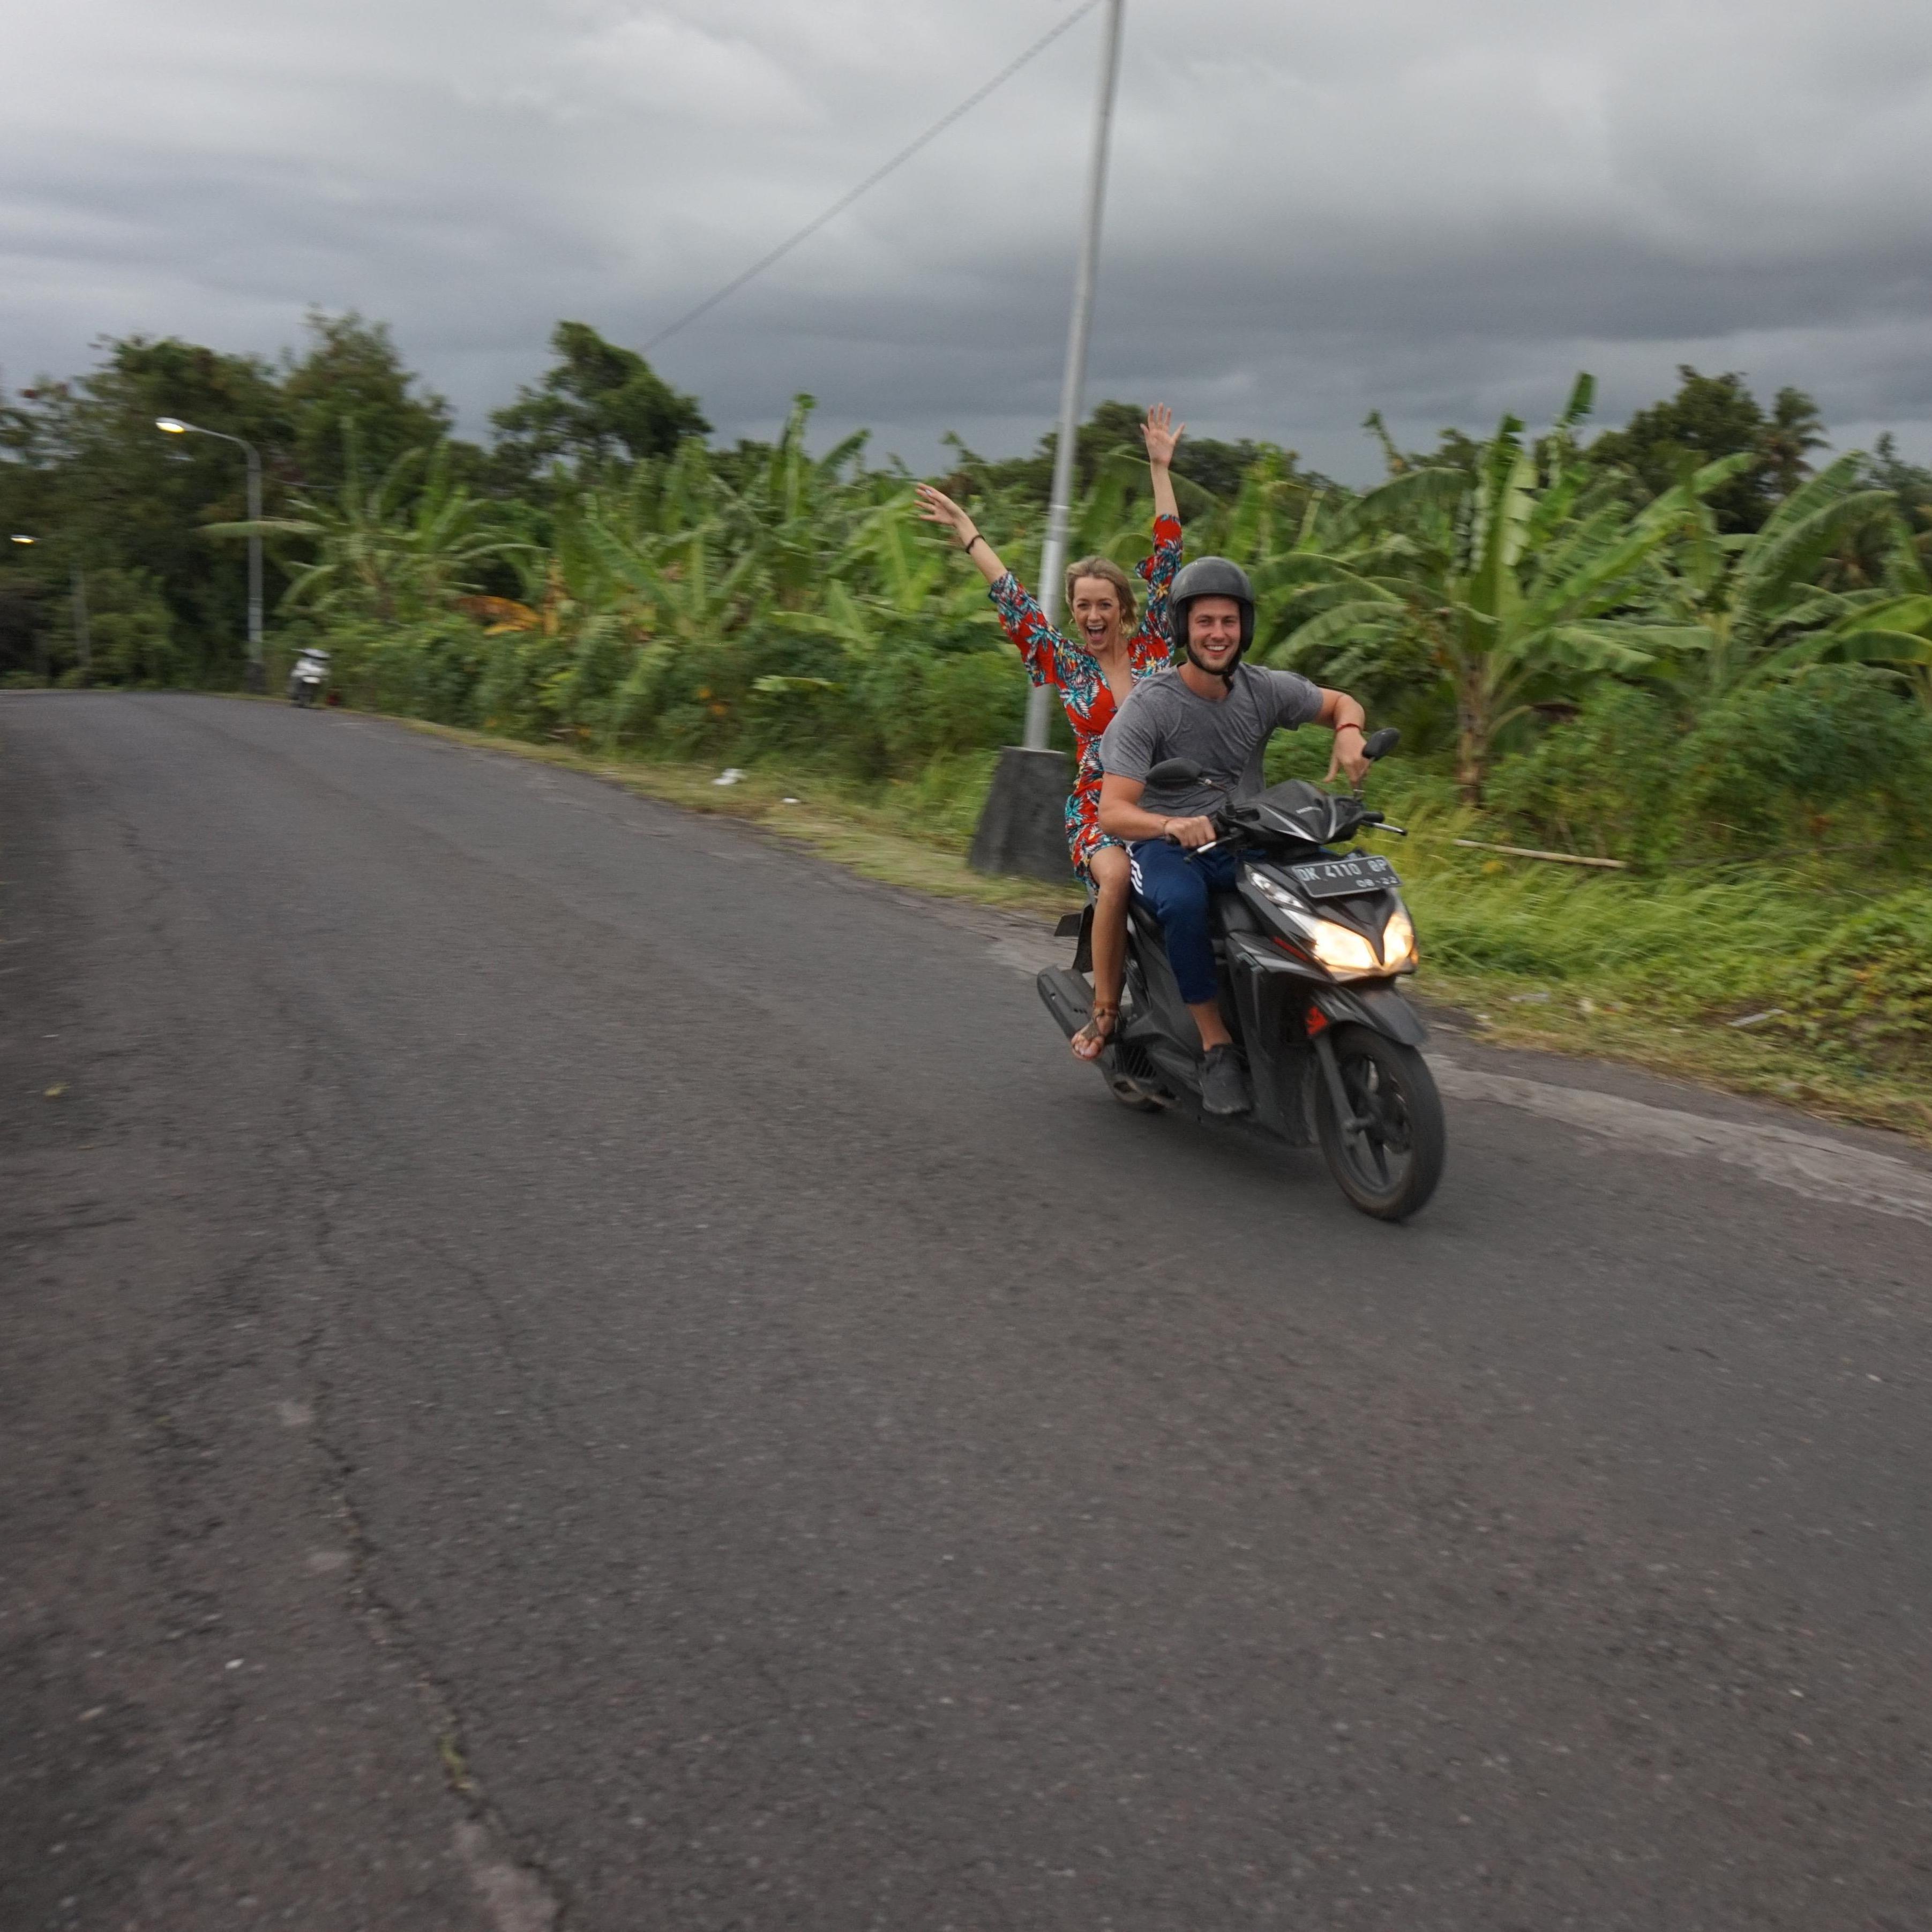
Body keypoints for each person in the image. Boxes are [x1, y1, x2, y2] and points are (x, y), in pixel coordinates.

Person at [914, 407, 1184, 1060]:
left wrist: (1159, 469)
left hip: (1170, 802)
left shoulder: (1154, 647)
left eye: (1104, 604)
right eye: (1082, 606)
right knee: (1116, 879)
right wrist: (971, 534)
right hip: (1099, 811)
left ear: (1124, 608)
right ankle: (1104, 1013)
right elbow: (1013, 600)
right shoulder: (1066, 662)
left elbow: (1170, 555)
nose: (1093, 615)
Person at [1096, 557, 1371, 1117]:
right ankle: (1215, 1043)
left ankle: (1329, 1001)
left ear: (1243, 627)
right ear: (1184, 630)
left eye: (1228, 622)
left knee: (1327, 878)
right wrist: (1170, 824)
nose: (1218, 634)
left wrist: (1348, 732)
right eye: (1205, 623)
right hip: (1167, 846)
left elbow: (1341, 701)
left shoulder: (1263, 689)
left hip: (1245, 837)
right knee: (1183, 902)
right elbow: (1113, 813)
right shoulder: (1151, 707)